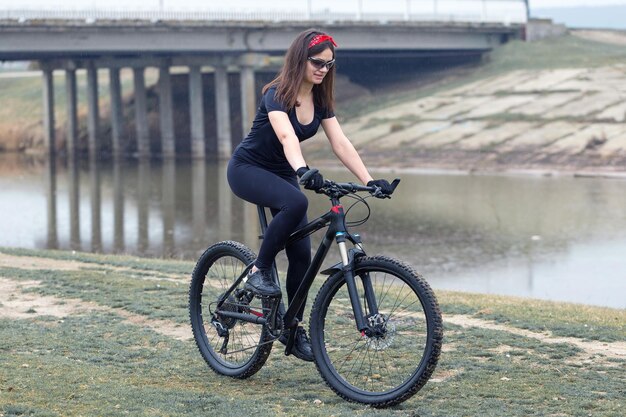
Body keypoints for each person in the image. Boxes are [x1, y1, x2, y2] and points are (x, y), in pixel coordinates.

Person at [226, 29, 393, 362]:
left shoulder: (320, 100)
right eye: (317, 63)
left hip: (284, 171)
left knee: (302, 255)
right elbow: (287, 137)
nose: (323, 70)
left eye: (329, 65)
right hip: (248, 169)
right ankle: (258, 271)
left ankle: (292, 328)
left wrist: (371, 180)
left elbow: (341, 143)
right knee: (297, 201)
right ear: (299, 59)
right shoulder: (276, 94)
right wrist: (303, 171)